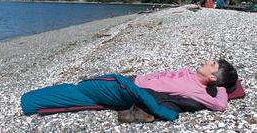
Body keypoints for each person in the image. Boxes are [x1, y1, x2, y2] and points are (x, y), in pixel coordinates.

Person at [21, 59, 237, 122]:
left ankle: (28, 102)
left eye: (213, 65)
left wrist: (223, 89)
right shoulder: (190, 74)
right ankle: (30, 101)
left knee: (82, 90)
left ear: (212, 78)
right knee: (78, 90)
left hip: (126, 88)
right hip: (131, 81)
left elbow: (219, 104)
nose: (208, 61)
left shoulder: (196, 90)